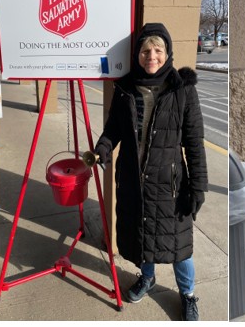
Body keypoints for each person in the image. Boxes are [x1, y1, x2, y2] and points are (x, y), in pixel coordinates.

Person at [93, 23, 207, 321]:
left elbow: (194, 144)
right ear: (137, 55)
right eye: (146, 50)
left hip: (170, 186)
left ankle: (188, 294)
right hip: (133, 181)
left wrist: (198, 187)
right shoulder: (124, 89)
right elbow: (113, 130)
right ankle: (147, 278)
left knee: (179, 247)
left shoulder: (183, 91)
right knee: (143, 238)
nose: (151, 56)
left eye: (158, 50)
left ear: (167, 53)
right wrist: (102, 149)